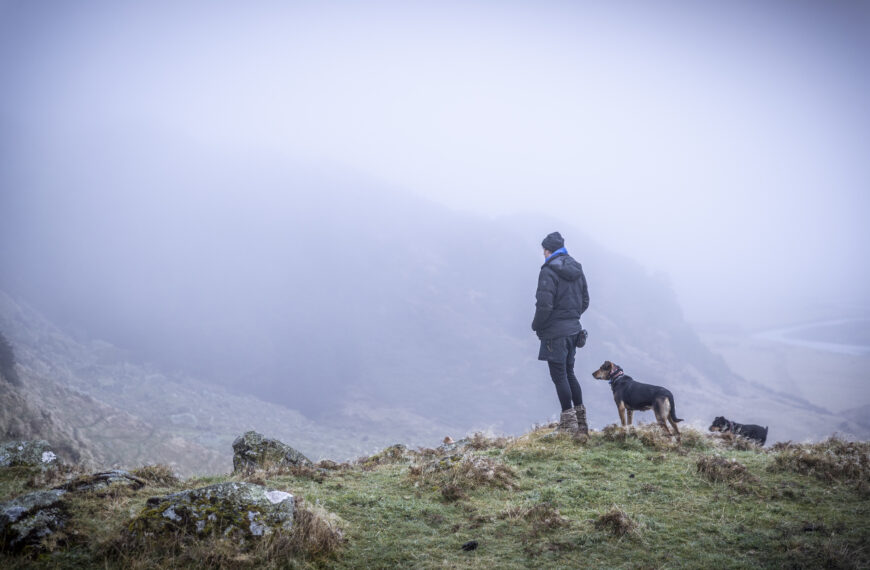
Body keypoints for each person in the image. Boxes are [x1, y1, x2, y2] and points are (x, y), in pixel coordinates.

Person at [532, 231, 590, 440]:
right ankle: (581, 424)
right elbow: (585, 301)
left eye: (544, 251)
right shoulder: (576, 267)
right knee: (570, 373)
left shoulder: (548, 271)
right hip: (574, 330)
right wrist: (571, 319)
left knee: (559, 376)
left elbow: (544, 305)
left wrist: (537, 325)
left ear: (547, 250)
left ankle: (568, 425)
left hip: (555, 333)